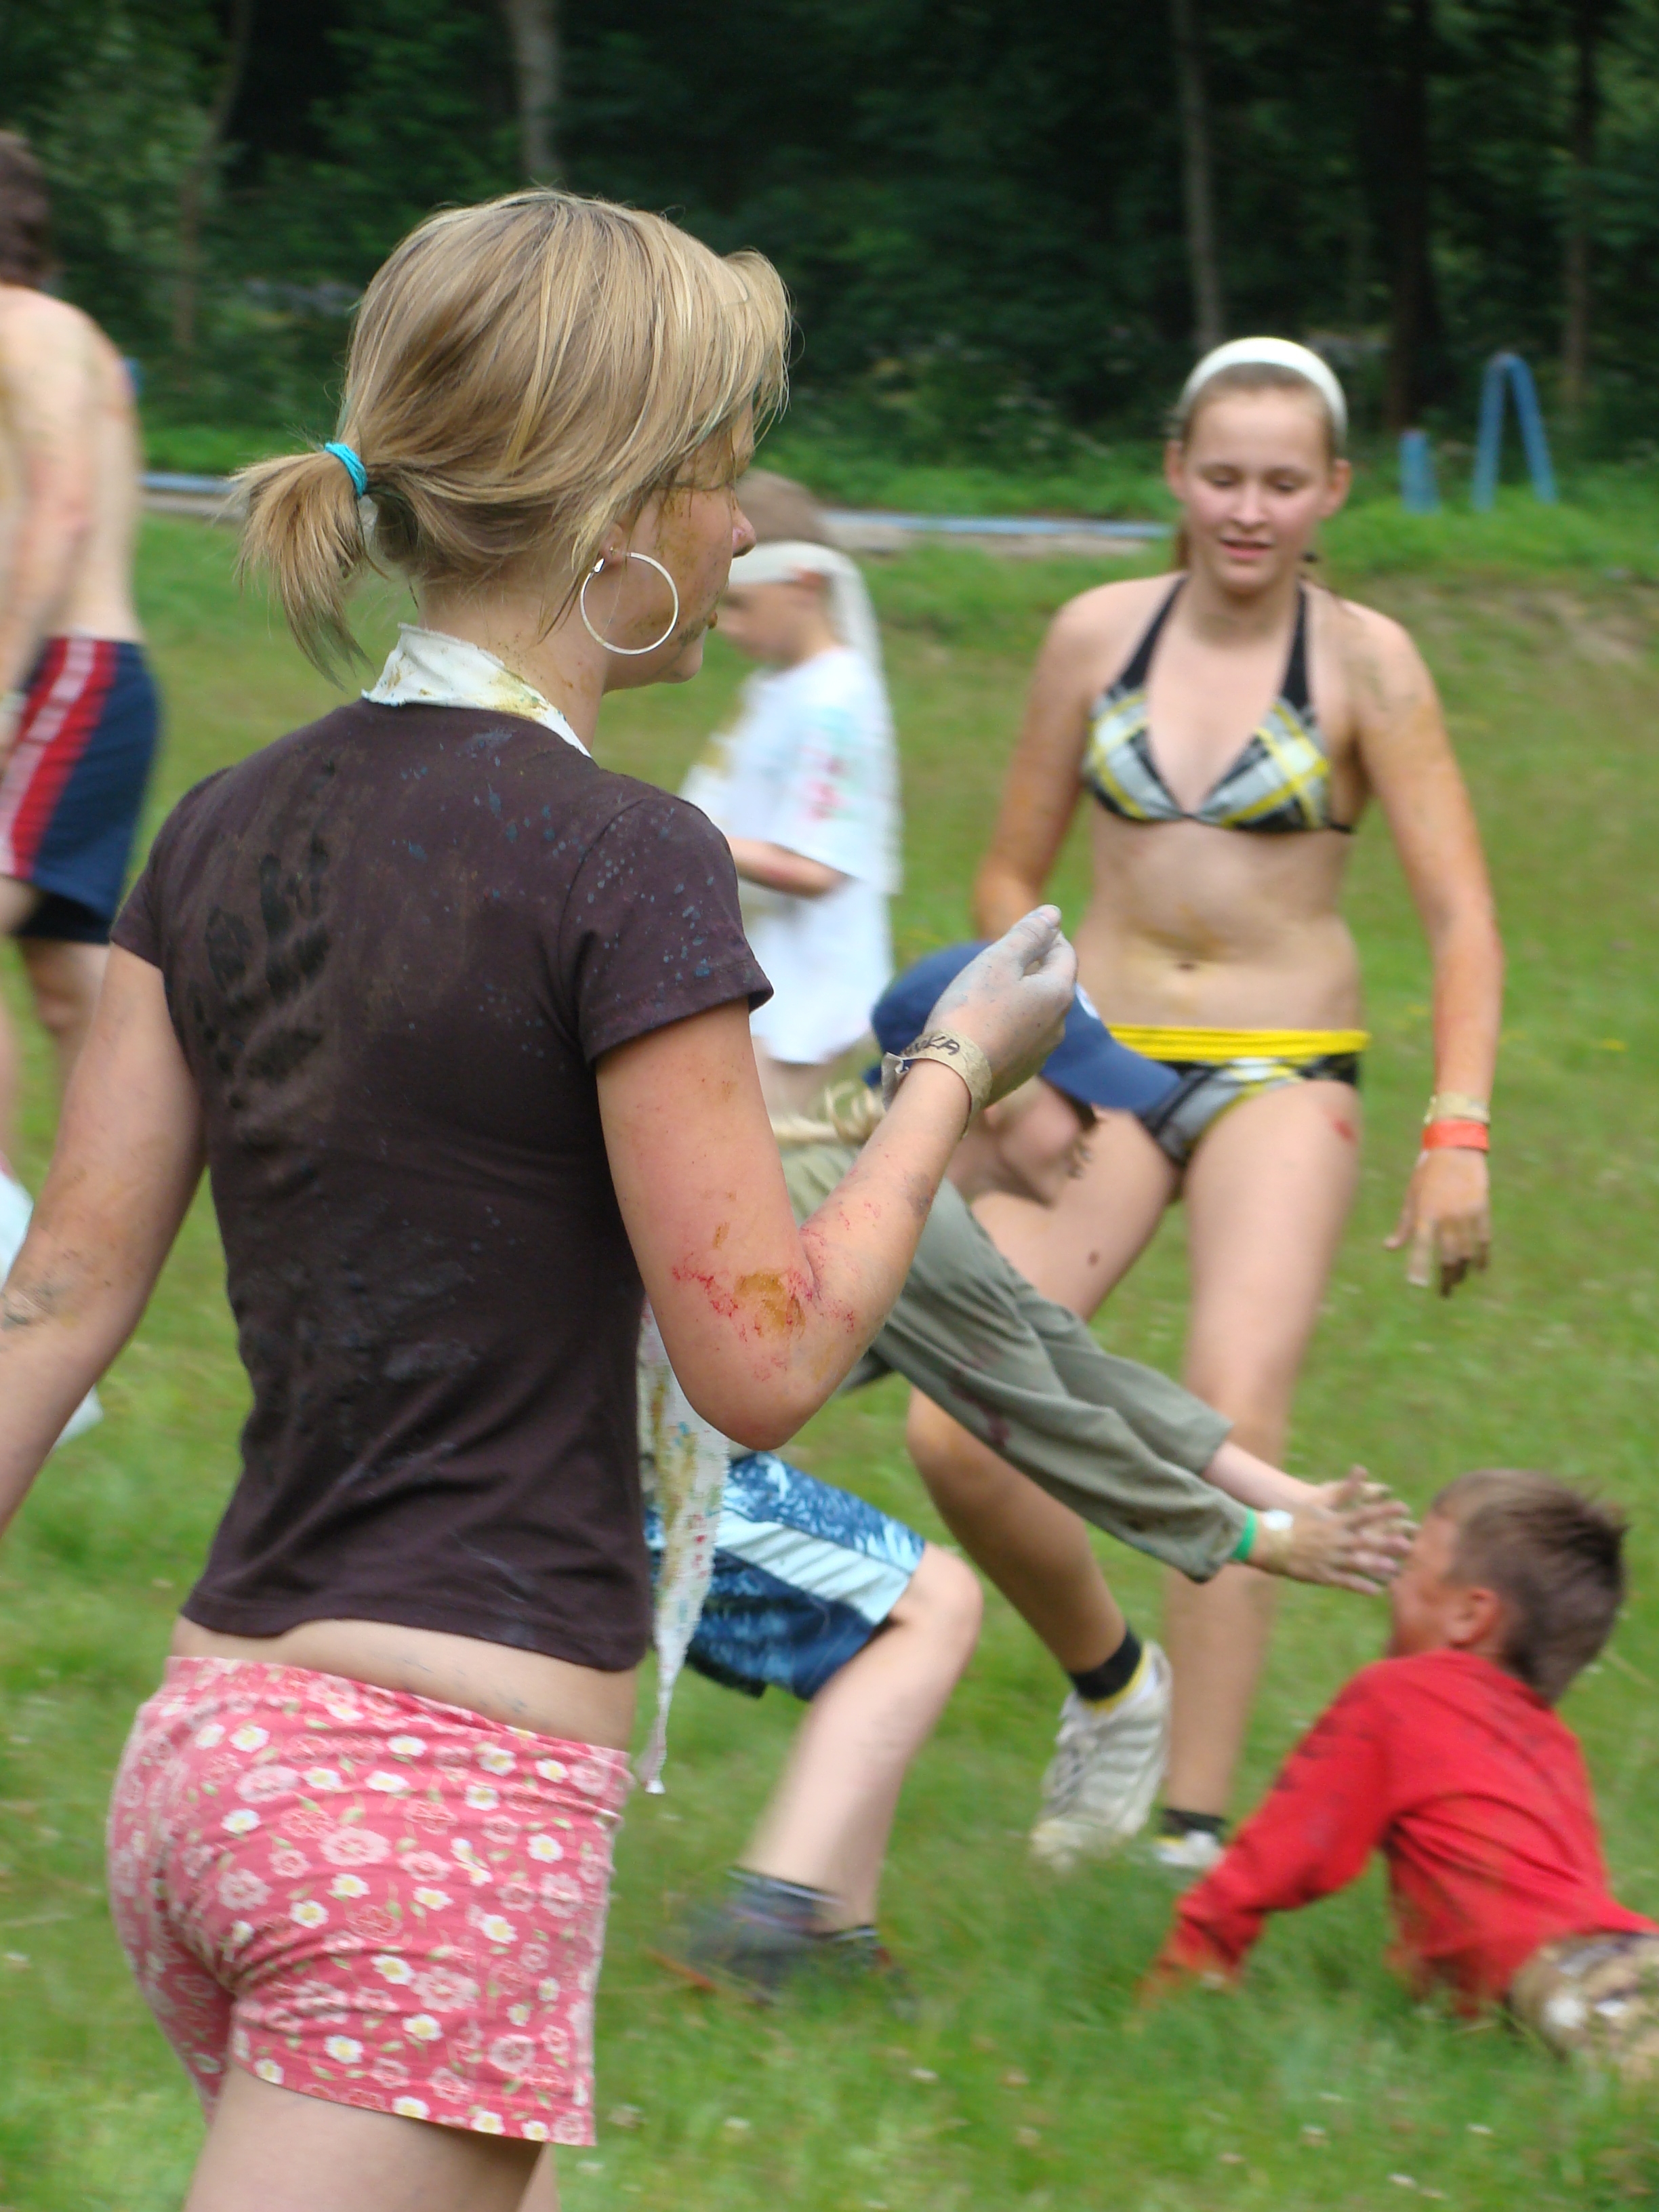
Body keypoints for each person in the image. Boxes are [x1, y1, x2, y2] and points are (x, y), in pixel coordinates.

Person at [0, 190, 1078, 2212]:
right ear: (625, 513)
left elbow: (53, 1299)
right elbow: (759, 1358)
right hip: (439, 1800)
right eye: (724, 476)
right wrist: (949, 1071)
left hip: (211, 1751)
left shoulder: (218, 827)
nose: (742, 535)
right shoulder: (625, 858)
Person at [924, 335, 1502, 1871]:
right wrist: (1036, 1053)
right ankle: (1111, 1683)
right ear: (1176, 473)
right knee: (957, 1413)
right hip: (1103, 1057)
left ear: (1331, 491)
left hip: (1279, 1069)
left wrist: (1454, 1133)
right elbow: (1007, 870)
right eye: (1223, 475)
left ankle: (1189, 1829)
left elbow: (1461, 918)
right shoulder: (1092, 634)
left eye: (1282, 482)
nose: (1249, 509)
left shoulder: (1366, 661)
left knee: (1227, 1413)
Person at [651, 950, 1411, 1991]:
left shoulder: (897, 1198)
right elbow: (1052, 1426)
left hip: (619, 1466)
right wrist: (1248, 1541)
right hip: (638, 1485)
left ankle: (834, 1944)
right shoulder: (902, 1219)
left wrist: (1292, 1498)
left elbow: (1074, 1365)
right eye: (1080, 1094)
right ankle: (772, 1919)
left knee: (901, 1616)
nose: (1106, 1124)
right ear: (995, 1095)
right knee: (934, 1608)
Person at [1150, 1471, 1659, 2079]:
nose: (1393, 1583)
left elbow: (1274, 1860)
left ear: (1470, 1614)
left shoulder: (1395, 1696)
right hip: (1628, 1949)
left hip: (1576, 1970)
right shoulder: (1551, 1740)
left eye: (1413, 1566)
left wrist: (1182, 1975)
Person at [0, 132, 159, 1167]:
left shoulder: (32, 330)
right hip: (63, 674)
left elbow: (61, 512)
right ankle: (101, 1225)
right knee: (69, 984)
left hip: (61, 673)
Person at [681, 469, 898, 1111]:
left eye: (740, 604)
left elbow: (816, 869)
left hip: (808, 988)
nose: (724, 623)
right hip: (760, 963)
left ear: (804, 585)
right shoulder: (779, 685)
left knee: (744, 1138)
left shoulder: (836, 702)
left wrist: (686, 836)